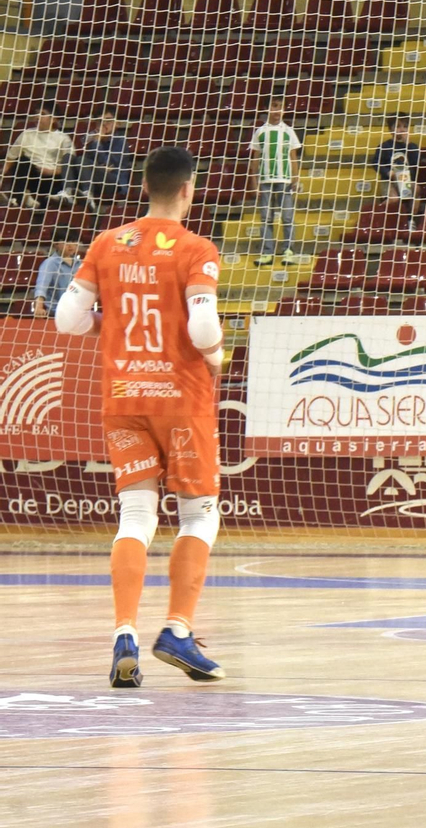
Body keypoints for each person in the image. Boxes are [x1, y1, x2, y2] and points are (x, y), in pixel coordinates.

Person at [54, 145, 228, 686]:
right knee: (199, 515)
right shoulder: (196, 248)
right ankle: (177, 630)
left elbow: (66, 319)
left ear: (145, 185)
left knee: (135, 516)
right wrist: (217, 353)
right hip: (181, 399)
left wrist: (103, 325)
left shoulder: (107, 243)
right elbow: (203, 328)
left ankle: (123, 635)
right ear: (188, 189)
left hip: (124, 396)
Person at [245, 98, 302, 266]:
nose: (277, 111)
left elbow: (293, 158)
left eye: (281, 107)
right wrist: (254, 181)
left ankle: (288, 251)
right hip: (265, 180)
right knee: (266, 218)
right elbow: (255, 159)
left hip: (284, 180)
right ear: (267, 108)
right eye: (274, 106)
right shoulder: (260, 132)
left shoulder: (289, 131)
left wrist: (296, 179)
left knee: (287, 217)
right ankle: (267, 253)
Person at [52, 110, 131, 211]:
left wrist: (97, 143)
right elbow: (86, 162)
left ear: (117, 124)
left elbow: (109, 164)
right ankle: (68, 192)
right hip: (94, 179)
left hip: (113, 183)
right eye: (100, 121)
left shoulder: (121, 141)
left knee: (82, 161)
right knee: (68, 157)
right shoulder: (92, 141)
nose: (104, 124)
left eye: (108, 120)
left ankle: (88, 195)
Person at [2, 109, 74, 209]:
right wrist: (1, 176)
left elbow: (71, 166)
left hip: (52, 179)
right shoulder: (26, 134)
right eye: (36, 114)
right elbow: (10, 159)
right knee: (22, 161)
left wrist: (51, 172)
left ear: (53, 118)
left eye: (42, 114)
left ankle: (34, 203)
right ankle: (19, 198)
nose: (37, 117)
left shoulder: (63, 138)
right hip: (32, 176)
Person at [372, 116, 426, 230]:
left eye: (405, 126)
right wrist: (388, 172)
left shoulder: (412, 146)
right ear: (391, 130)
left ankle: (410, 220)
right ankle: (378, 216)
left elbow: (416, 162)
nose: (402, 129)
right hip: (389, 181)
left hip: (406, 180)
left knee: (416, 189)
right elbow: (376, 163)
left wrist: (407, 145)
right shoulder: (385, 146)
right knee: (394, 199)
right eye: (398, 126)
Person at [32, 231, 81, 318]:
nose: (70, 245)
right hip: (55, 314)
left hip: (78, 313)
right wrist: (39, 307)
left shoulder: (80, 264)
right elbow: (41, 287)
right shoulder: (49, 263)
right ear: (55, 244)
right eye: (66, 241)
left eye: (73, 241)